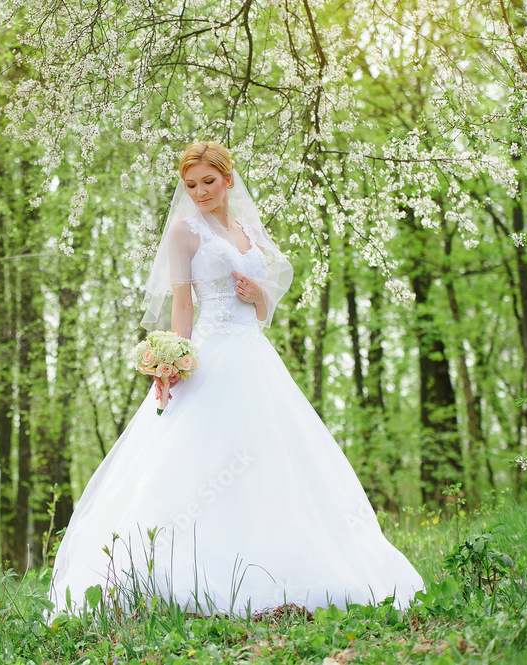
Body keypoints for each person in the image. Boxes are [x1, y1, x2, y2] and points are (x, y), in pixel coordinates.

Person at [47, 141, 425, 618]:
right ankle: (177, 572)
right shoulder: (183, 234)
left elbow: (264, 306)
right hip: (211, 352)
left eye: (209, 181)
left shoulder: (248, 231)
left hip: (255, 356)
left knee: (275, 458)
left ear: (228, 179)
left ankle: (279, 563)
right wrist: (173, 361)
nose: (200, 191)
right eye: (191, 185)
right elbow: (183, 306)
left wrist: (257, 294)